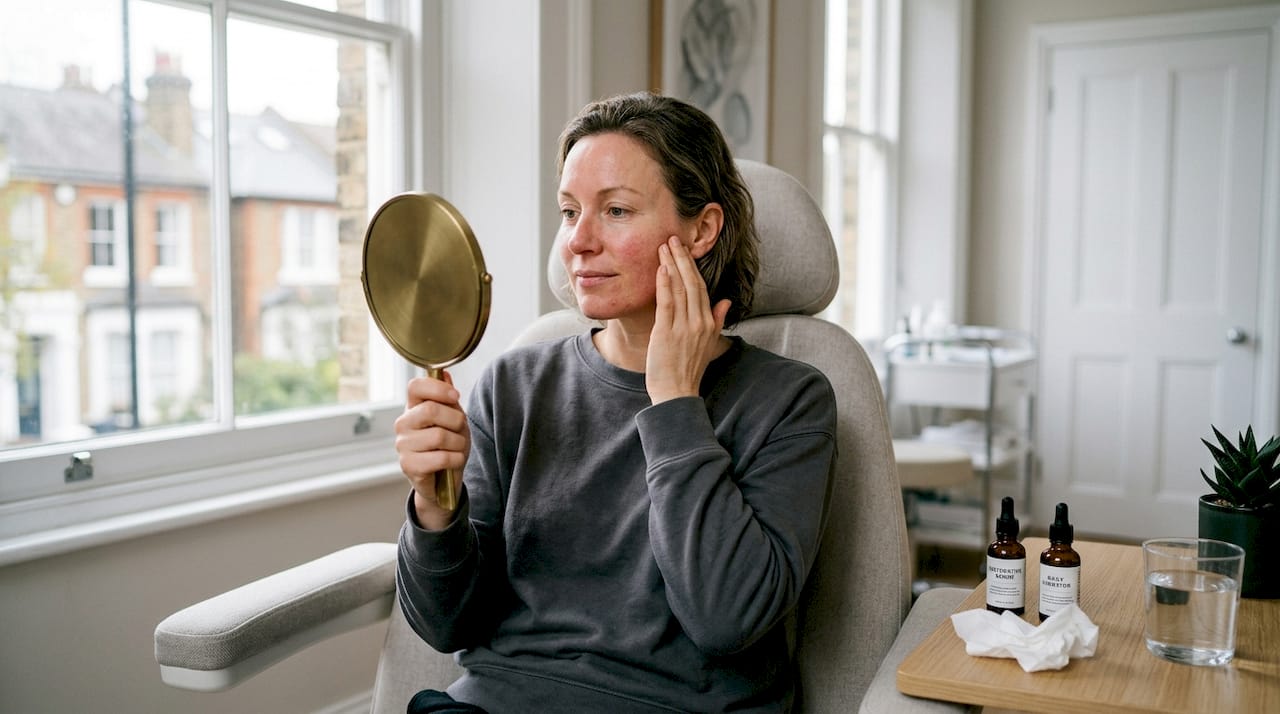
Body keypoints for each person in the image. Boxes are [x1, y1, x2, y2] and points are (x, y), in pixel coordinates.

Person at [394, 91, 837, 713]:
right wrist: (433, 507)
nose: (578, 241)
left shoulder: (790, 401)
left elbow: (726, 618)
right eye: (569, 211)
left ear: (702, 229)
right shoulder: (514, 386)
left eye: (617, 210)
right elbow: (447, 627)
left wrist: (676, 403)